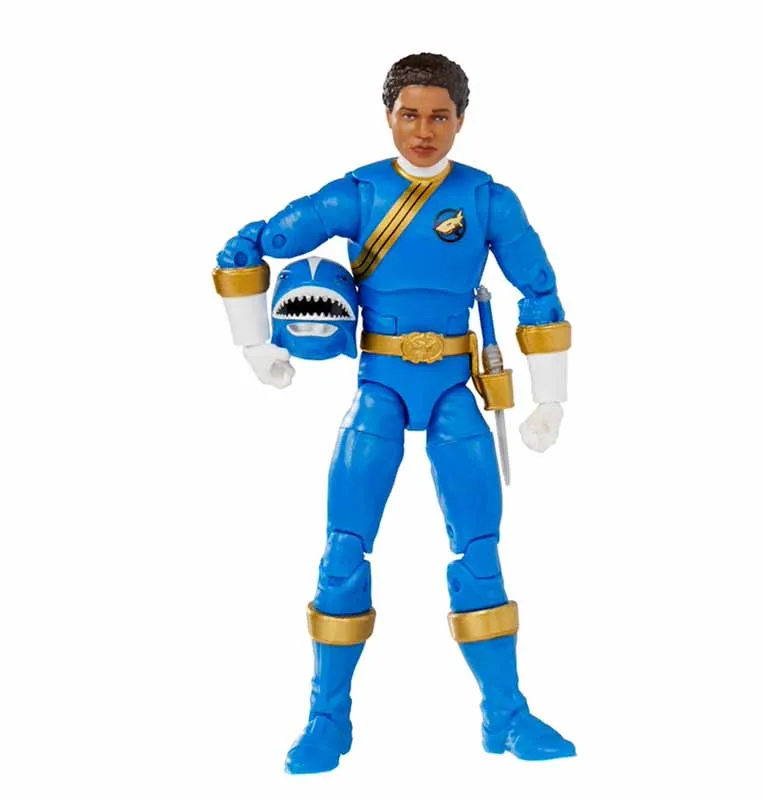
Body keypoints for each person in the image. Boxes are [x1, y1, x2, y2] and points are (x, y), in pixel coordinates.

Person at [213, 52, 574, 774]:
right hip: (378, 387)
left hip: (453, 391)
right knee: (343, 551)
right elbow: (248, 245)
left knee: (480, 552)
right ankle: (327, 719)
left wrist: (550, 397)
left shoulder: (487, 199)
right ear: (389, 117)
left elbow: (539, 290)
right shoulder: (358, 194)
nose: (424, 130)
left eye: (439, 116)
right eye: (410, 114)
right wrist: (255, 346)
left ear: (461, 120)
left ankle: (506, 714)